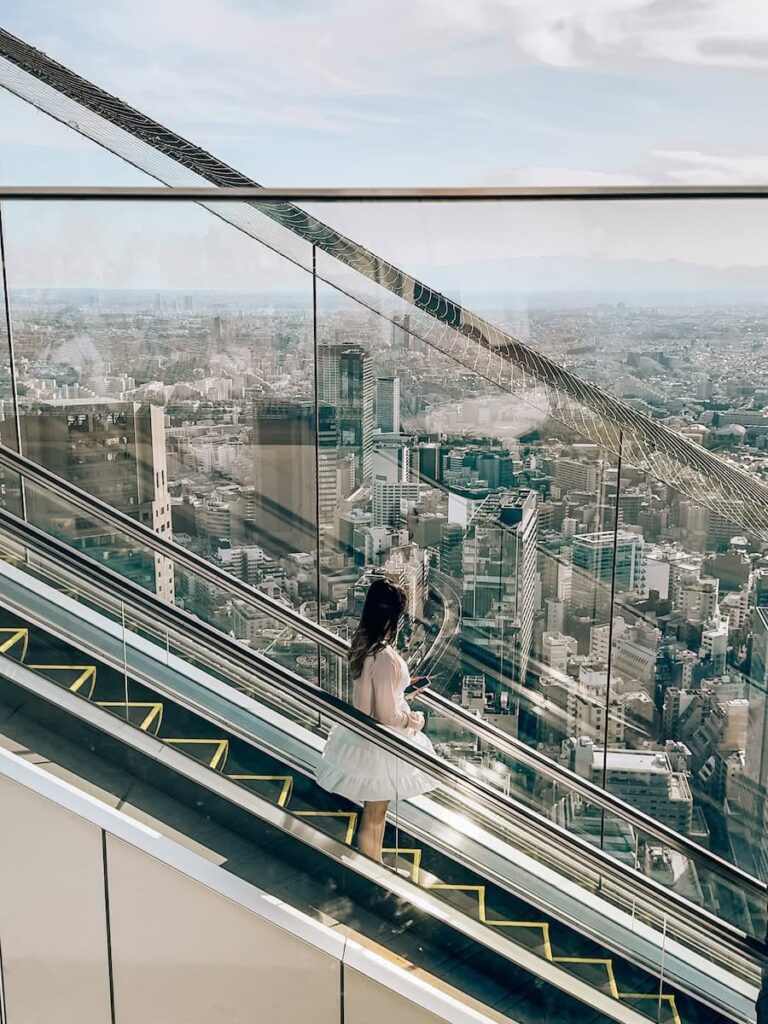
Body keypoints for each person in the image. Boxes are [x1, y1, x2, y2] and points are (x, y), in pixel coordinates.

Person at [317, 577, 437, 863]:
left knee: (374, 809)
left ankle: (372, 862)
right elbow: (386, 715)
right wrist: (414, 720)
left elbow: (374, 695)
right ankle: (372, 865)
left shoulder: (362, 644)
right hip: (381, 741)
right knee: (376, 811)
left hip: (361, 734)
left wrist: (400, 690)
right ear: (391, 617)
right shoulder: (385, 657)